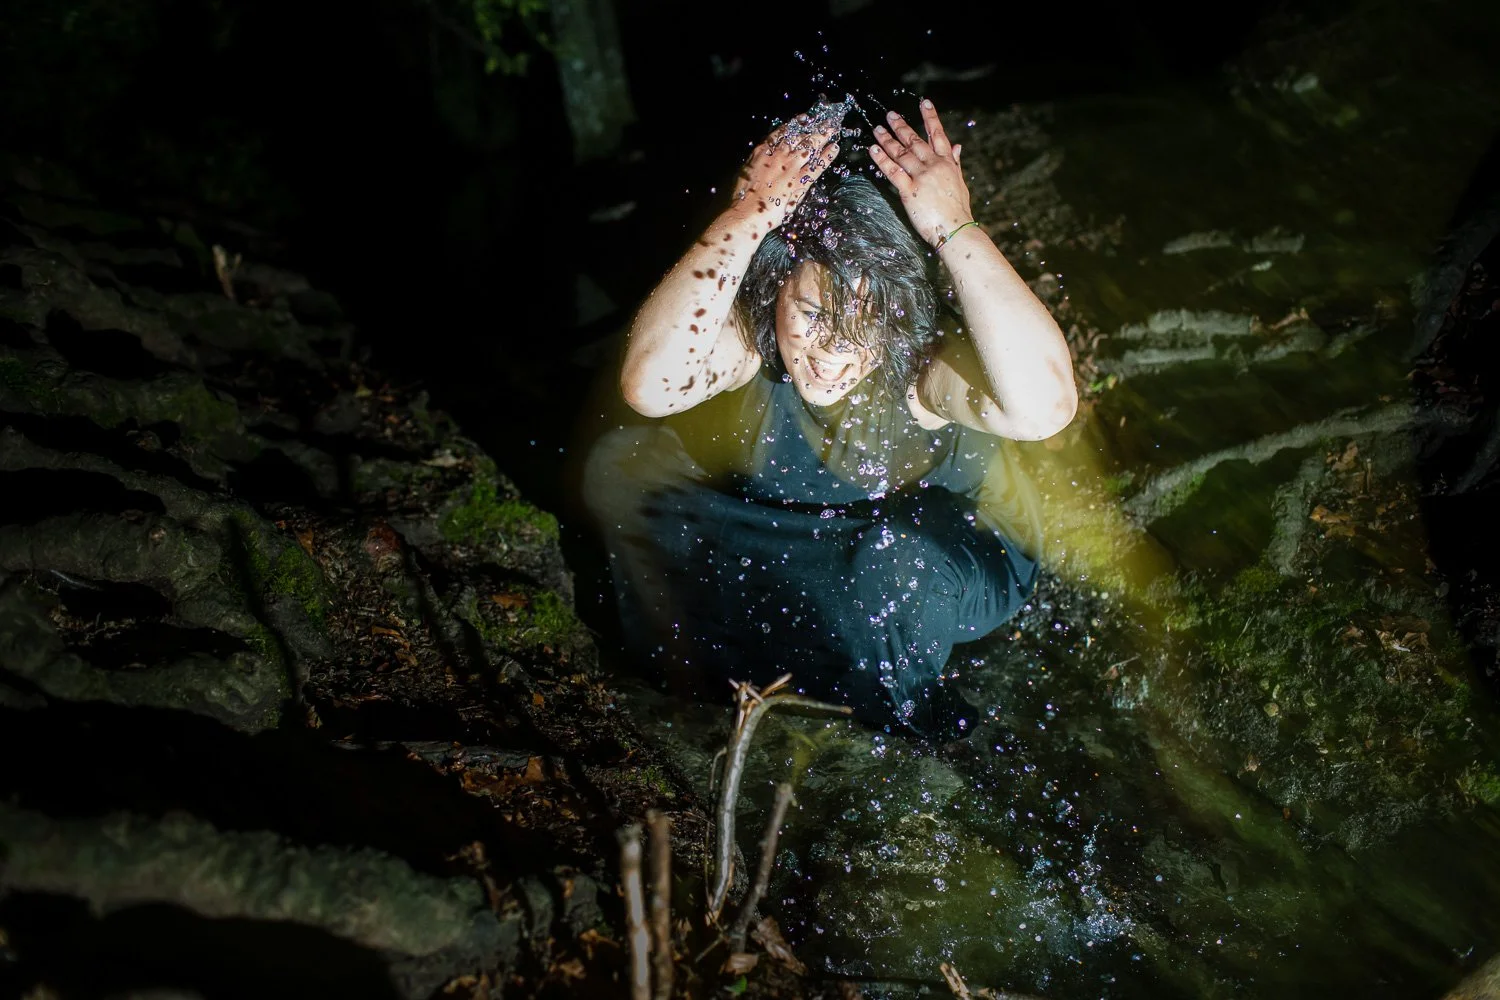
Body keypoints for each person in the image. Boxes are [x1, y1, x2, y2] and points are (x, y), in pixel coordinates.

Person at [583, 99, 1078, 738]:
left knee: (891, 562)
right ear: (780, 286)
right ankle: (694, 677)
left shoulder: (922, 363)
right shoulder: (757, 333)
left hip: (935, 548)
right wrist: (747, 215)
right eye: (813, 316)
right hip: (802, 533)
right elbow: (650, 385)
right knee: (622, 470)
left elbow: (1045, 409)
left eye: (864, 325)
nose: (832, 355)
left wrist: (956, 228)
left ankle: (899, 720)